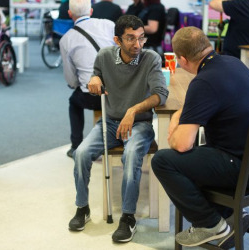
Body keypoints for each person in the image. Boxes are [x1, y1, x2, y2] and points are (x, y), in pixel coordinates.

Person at [151, 26, 249, 248]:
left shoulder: (204, 81)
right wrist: (180, 114)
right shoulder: (232, 62)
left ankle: (212, 225)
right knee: (200, 152)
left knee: (163, 160)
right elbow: (202, 102)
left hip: (242, 169)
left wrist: (175, 128)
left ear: (183, 60)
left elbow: (182, 144)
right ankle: (230, 214)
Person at [68, 15, 169, 243]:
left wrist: (133, 111)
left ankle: (128, 217)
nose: (138, 44)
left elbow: (161, 95)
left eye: (141, 38)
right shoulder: (105, 56)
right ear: (117, 40)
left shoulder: (150, 58)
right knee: (81, 153)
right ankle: (82, 208)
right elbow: (96, 74)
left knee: (131, 155)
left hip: (140, 124)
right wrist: (94, 79)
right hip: (110, 122)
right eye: (131, 39)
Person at [59, 0, 116, 158]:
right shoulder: (109, 25)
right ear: (91, 11)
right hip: (118, 92)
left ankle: (76, 146)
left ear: (70, 14)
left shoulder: (66, 40)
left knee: (74, 102)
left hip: (92, 96)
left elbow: (71, 80)